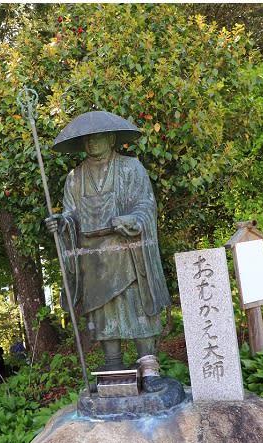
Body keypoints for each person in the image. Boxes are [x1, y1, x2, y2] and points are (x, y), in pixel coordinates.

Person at [45, 111, 171, 391]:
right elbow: (70, 216)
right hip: (93, 256)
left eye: (98, 137)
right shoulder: (74, 178)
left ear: (111, 138)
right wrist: (61, 223)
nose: (93, 144)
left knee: (136, 302)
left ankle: (148, 363)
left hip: (127, 249)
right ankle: (112, 363)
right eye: (88, 139)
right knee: (102, 311)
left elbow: (145, 204)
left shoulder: (131, 167)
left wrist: (134, 220)